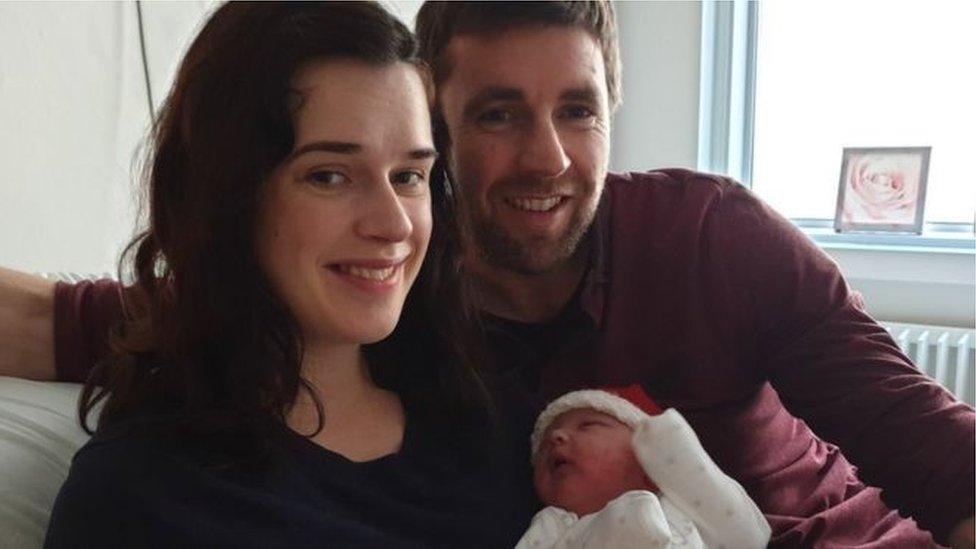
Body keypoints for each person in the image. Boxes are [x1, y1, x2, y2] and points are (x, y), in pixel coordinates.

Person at [1, 1, 973, 547]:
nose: (549, 157)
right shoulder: (384, 308)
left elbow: (939, 453)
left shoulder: (712, 238)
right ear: (447, 131)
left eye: (579, 111)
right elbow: (84, 314)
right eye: (499, 113)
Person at [38, 3, 527, 547]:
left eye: (409, 175)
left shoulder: (493, 428)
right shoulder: (137, 497)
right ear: (227, 196)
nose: (393, 224)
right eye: (330, 175)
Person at [516, 387, 770, 549]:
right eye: (543, 448)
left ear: (645, 448)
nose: (557, 437)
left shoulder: (685, 506)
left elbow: (750, 537)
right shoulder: (550, 528)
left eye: (587, 426)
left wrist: (676, 450)